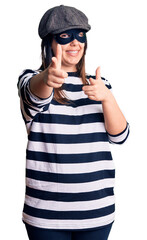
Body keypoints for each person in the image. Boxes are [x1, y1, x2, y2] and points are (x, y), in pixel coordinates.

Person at [17, 5, 130, 240]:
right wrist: (48, 77)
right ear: (49, 43)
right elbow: (36, 94)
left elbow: (120, 136)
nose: (75, 43)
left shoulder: (100, 84)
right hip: (46, 214)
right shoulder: (31, 80)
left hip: (96, 210)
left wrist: (107, 97)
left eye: (80, 36)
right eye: (65, 36)